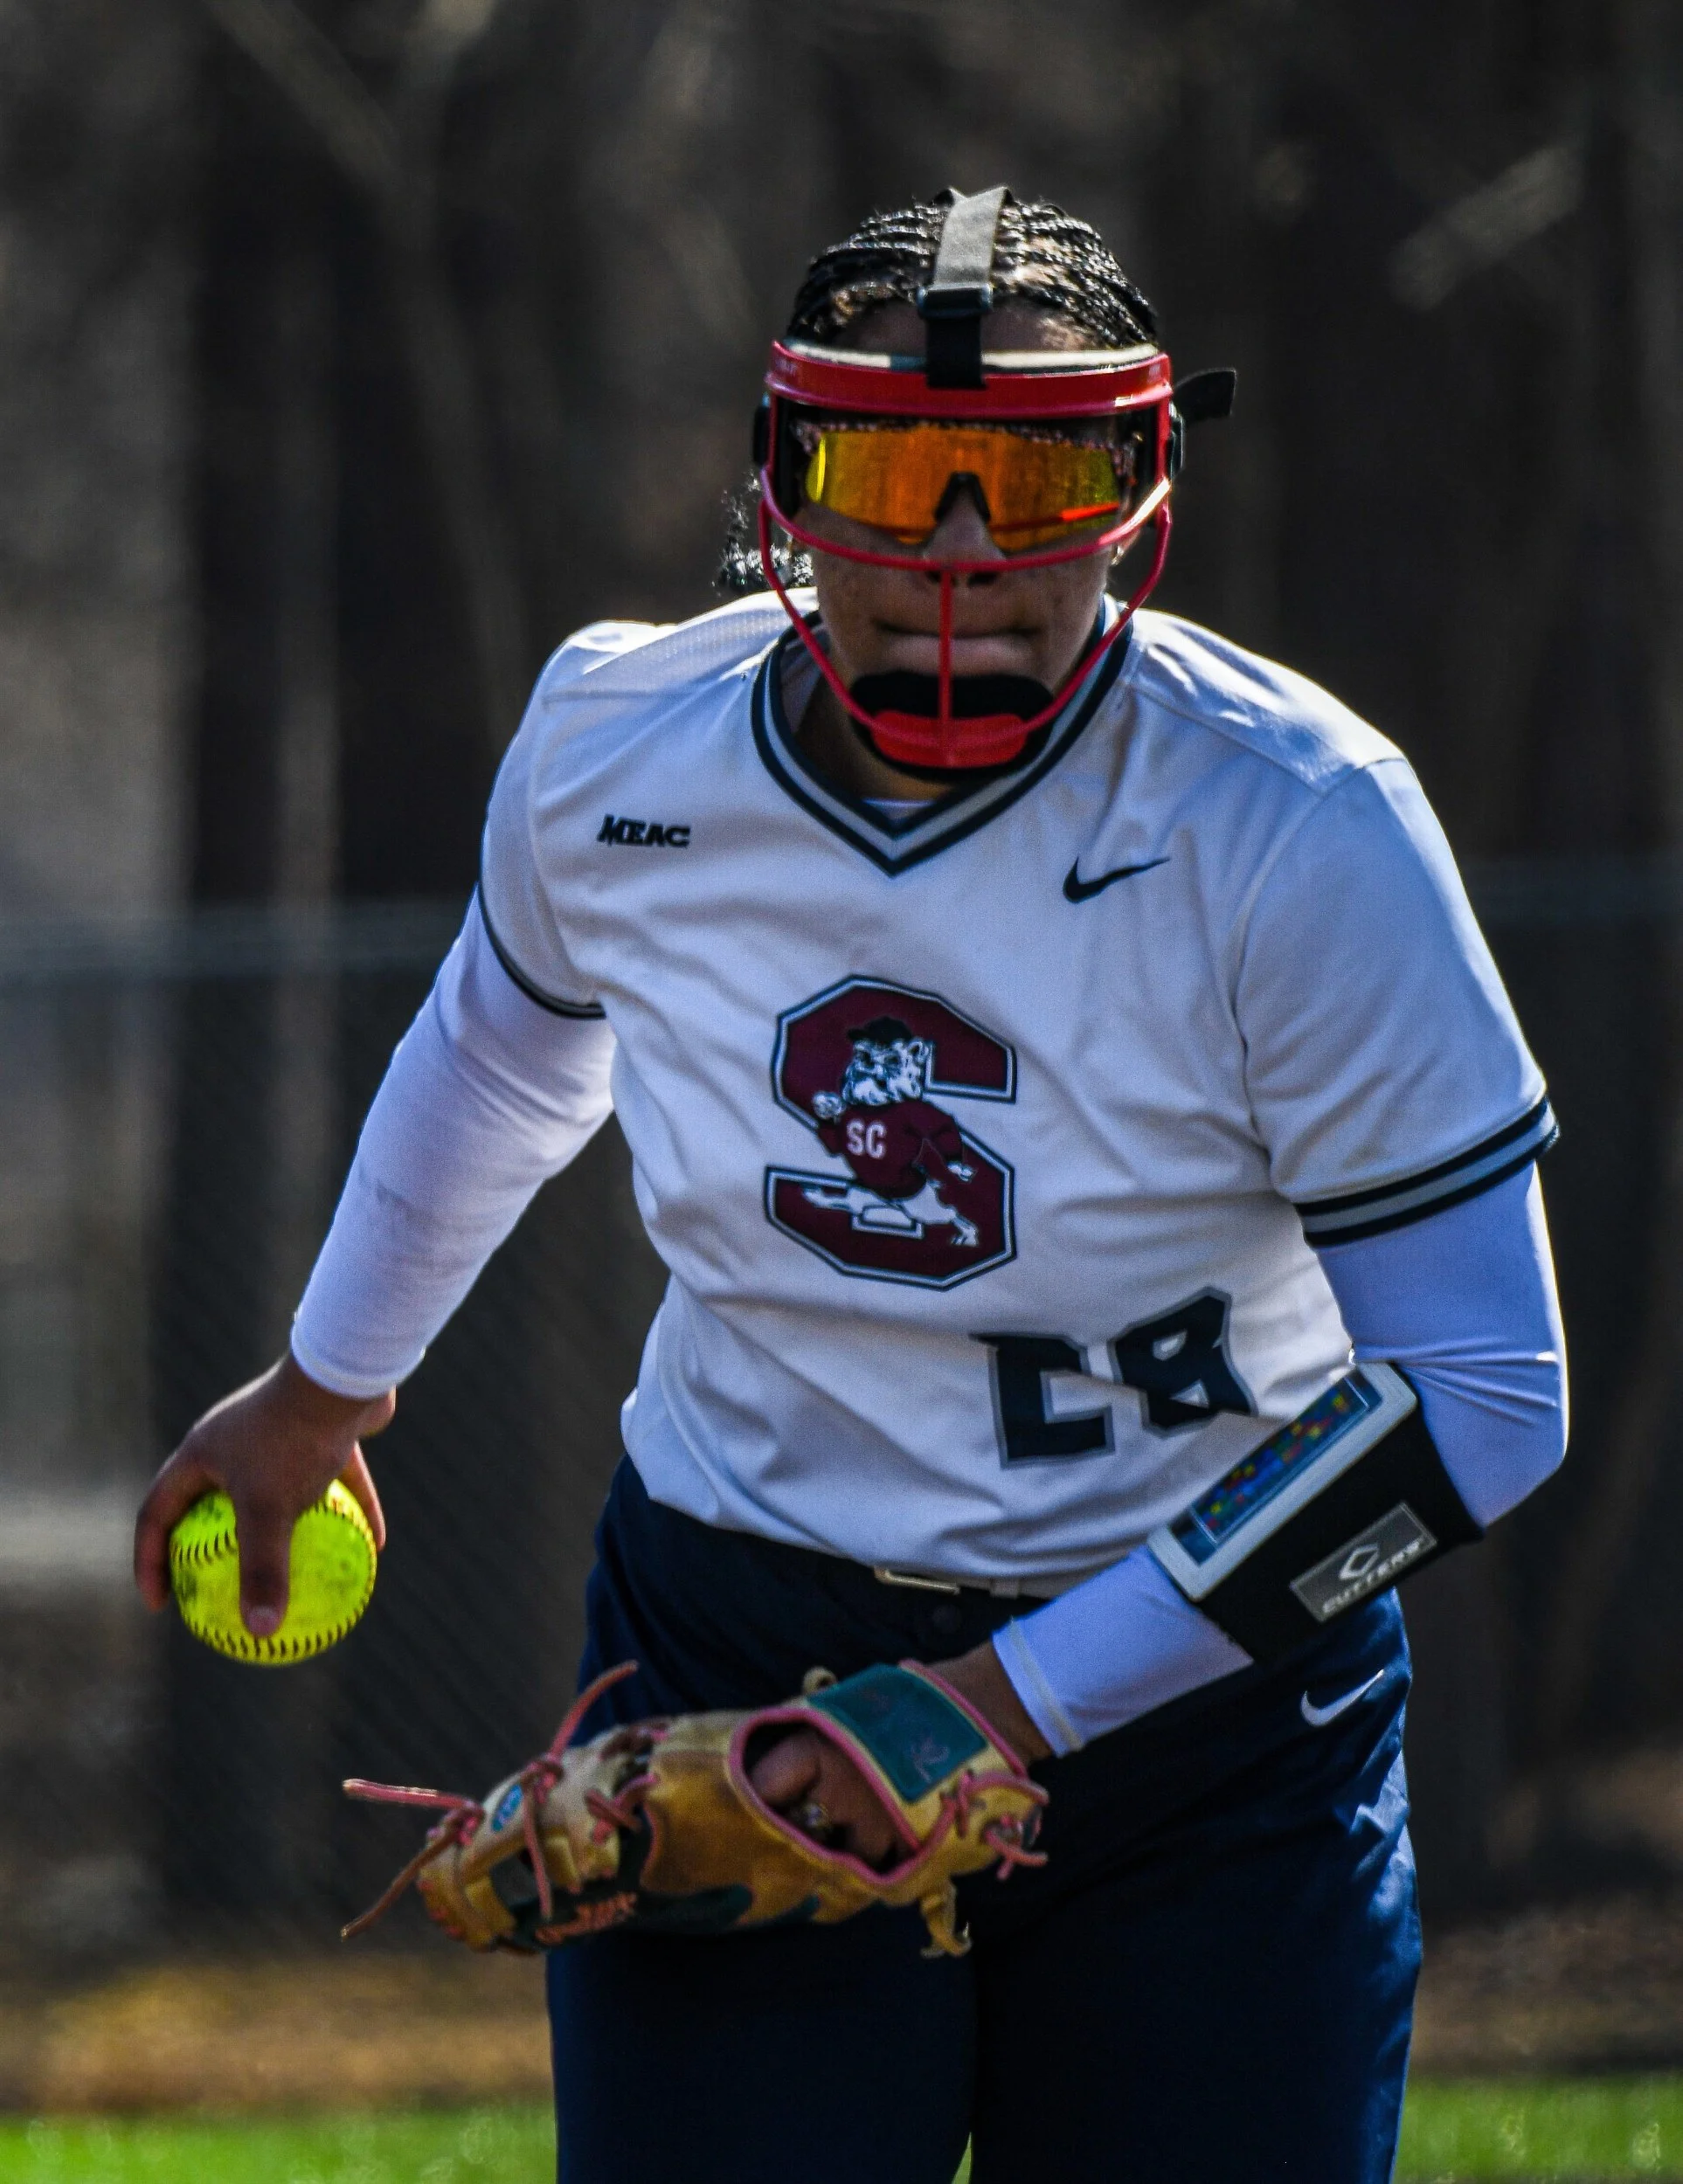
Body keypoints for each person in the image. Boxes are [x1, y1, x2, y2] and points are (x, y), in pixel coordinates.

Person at [135, 189, 1569, 2181]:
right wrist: (326, 1381)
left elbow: (1487, 1399)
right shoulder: (618, 741)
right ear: (781, 490)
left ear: (1147, 486)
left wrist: (1012, 1693)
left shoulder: (1300, 824)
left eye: (1042, 471)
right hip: (738, 1645)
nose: (963, 555)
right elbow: (503, 1049)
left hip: (1204, 1705)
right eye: (898, 469)